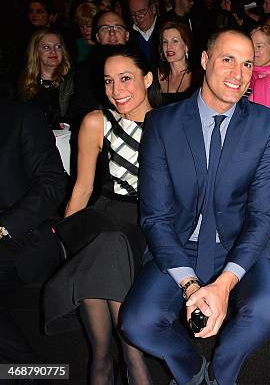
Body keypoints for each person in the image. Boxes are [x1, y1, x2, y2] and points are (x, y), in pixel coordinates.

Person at [120, 28, 270, 385]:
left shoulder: (265, 124)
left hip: (238, 242)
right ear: (205, 60)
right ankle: (192, 371)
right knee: (138, 322)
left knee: (269, 307)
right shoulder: (162, 124)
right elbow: (156, 217)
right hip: (180, 244)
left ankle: (222, 372)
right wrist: (192, 287)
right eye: (228, 60)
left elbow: (261, 216)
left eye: (246, 64)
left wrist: (224, 285)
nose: (238, 74)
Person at [43, 46, 157, 384]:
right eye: (108, 81)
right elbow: (81, 188)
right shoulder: (96, 121)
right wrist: (67, 241)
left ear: (148, 79)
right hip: (102, 218)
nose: (116, 91)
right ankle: (132, 360)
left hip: (147, 224)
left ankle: (127, 360)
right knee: (104, 350)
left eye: (125, 79)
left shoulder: (168, 123)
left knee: (113, 247)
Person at [0, 100, 67, 372]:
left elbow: (52, 183)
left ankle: (33, 370)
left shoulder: (20, 115)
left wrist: (4, 226)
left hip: (21, 234)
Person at [18, 27, 74, 129]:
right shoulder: (22, 84)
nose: (53, 51)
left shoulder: (73, 82)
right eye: (46, 47)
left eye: (58, 46)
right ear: (36, 52)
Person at [157, 21, 200, 105]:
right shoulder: (155, 75)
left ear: (186, 46)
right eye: (165, 42)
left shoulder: (197, 77)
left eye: (175, 41)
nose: (169, 46)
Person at [127, 0, 160, 64]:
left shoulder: (166, 28)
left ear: (153, 9)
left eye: (141, 12)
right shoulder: (127, 34)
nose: (137, 17)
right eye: (133, 14)